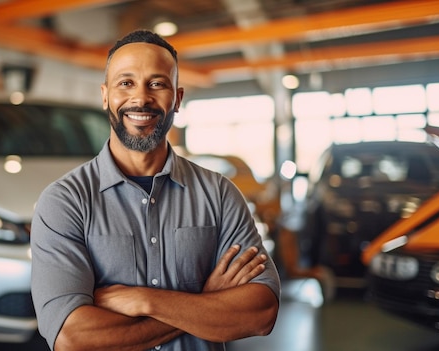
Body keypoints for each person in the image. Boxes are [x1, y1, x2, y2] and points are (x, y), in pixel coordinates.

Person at [30, 29, 280, 351]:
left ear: (177, 98)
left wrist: (144, 301)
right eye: (126, 83)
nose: (141, 98)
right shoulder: (65, 202)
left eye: (157, 83)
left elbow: (260, 312)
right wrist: (203, 301)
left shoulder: (219, 194)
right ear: (105, 95)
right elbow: (74, 338)